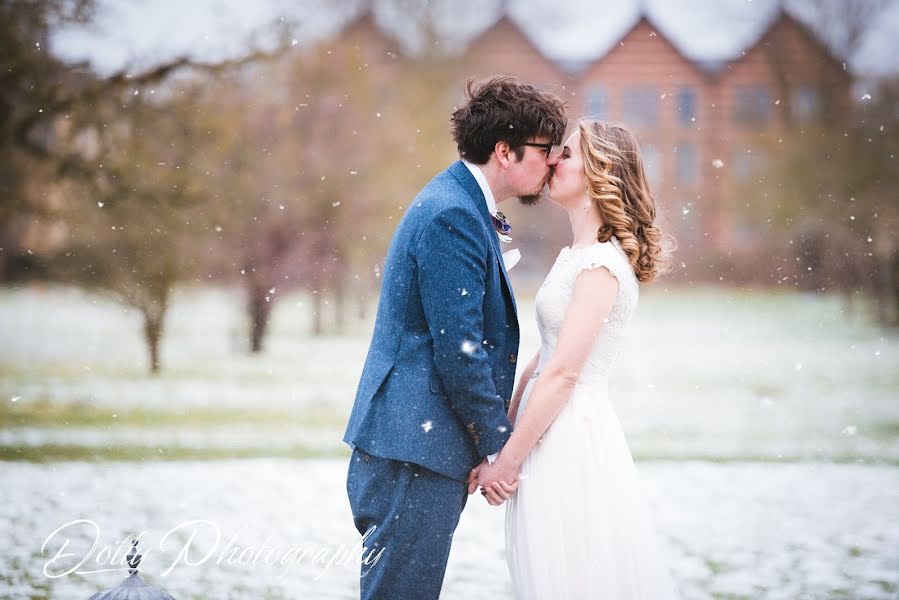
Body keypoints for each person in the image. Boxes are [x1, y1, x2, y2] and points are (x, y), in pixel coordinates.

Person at [342, 75, 566, 599]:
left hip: (418, 440)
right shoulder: (453, 216)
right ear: (504, 151)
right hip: (413, 447)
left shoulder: (459, 205)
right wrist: (497, 447)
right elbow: (459, 348)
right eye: (544, 150)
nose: (552, 163)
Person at [474, 120, 681, 598]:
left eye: (565, 154)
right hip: (545, 427)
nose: (552, 161)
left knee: (571, 577)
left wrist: (508, 462)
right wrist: (498, 439)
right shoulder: (577, 255)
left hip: (569, 436)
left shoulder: (601, 266)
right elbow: (544, 359)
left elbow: (565, 373)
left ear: (600, 171)